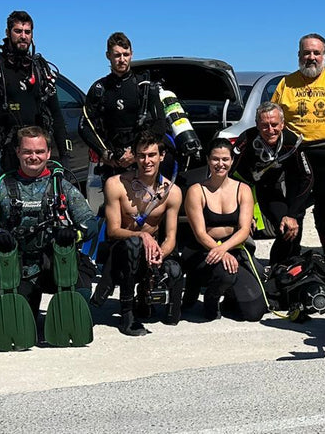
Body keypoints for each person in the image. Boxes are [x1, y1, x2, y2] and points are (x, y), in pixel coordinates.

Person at [0, 126, 100, 336]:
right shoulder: (2, 187)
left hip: (57, 262)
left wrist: (75, 233)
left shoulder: (62, 186)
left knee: (78, 301)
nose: (34, 157)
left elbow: (90, 222)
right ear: (18, 152)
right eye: (28, 151)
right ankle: (5, 301)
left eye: (39, 151)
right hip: (19, 266)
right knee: (18, 329)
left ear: (48, 153)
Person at [270, 33, 325, 257]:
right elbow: (272, 117)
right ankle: (291, 255)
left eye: (316, 53)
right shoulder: (286, 83)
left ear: (324, 55)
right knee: (295, 207)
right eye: (306, 53)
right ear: (299, 55)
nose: (311, 57)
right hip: (296, 152)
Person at [0, 10, 70, 184]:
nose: (23, 36)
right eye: (18, 31)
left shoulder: (40, 70)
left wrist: (65, 157)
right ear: (8, 33)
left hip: (33, 153)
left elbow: (56, 115)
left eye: (27, 32)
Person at [100, 132, 185, 335]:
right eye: (142, 156)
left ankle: (147, 295)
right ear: (135, 157)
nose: (147, 161)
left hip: (151, 252)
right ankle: (127, 313)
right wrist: (141, 235)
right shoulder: (116, 184)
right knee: (134, 245)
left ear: (161, 156)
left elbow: (171, 237)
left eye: (152, 155)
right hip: (122, 250)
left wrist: (160, 255)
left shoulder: (172, 192)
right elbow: (112, 231)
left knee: (173, 270)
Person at [183, 139, 266, 322]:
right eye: (215, 159)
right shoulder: (196, 191)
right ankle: (210, 298)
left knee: (254, 313)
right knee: (226, 274)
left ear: (231, 161)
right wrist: (220, 251)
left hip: (232, 248)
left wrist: (225, 249)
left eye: (225, 159)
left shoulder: (242, 189)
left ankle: (230, 297)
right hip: (203, 249)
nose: (220, 164)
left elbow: (244, 229)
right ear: (208, 160)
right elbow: (200, 233)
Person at [79, 32, 166, 191]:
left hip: (141, 161)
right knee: (114, 210)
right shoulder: (100, 89)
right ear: (108, 56)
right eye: (117, 55)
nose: (122, 59)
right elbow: (84, 125)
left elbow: (160, 124)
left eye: (126, 54)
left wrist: (136, 153)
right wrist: (104, 153)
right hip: (113, 161)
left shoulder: (144, 86)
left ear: (131, 54)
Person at [230, 103, 313, 266]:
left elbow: (307, 177)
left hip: (276, 186)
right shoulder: (247, 139)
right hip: (247, 188)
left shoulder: (291, 140)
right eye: (264, 126)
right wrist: (242, 208)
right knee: (242, 228)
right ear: (257, 125)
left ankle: (282, 267)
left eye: (274, 125)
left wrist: (293, 213)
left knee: (289, 228)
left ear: (282, 124)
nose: (270, 130)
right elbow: (228, 173)